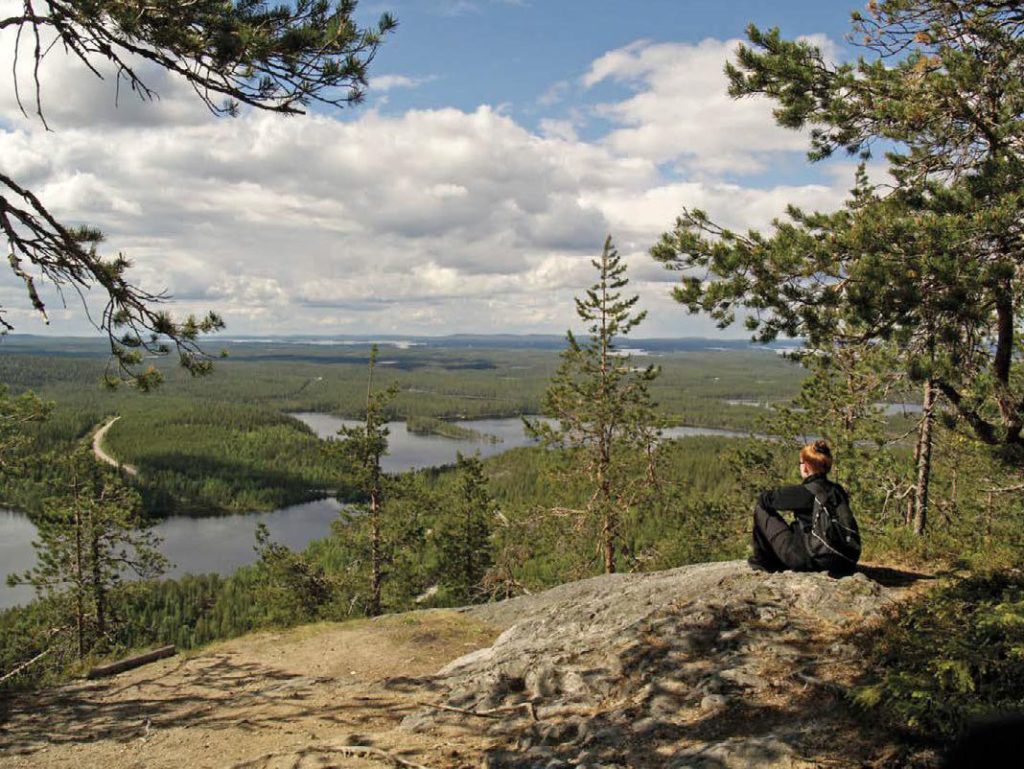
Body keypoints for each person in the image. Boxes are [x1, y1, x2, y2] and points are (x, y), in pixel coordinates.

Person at [748, 439, 854, 574]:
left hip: (810, 560)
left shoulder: (806, 492)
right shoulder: (838, 490)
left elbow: (765, 499)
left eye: (800, 462)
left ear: (806, 466)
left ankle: (764, 563)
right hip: (843, 562)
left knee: (761, 509)